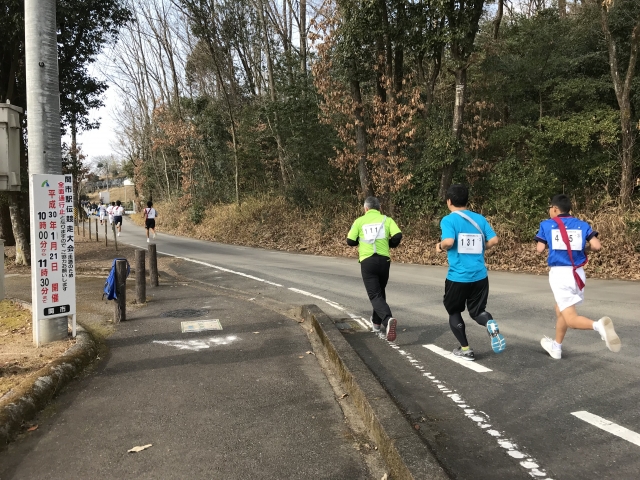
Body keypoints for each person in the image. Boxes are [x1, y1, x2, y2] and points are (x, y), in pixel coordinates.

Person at [535, 194, 620, 360]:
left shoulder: (547, 224)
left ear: (554, 209)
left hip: (560, 274)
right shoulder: (581, 225)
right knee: (561, 309)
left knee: (571, 318)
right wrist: (582, 249)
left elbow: (539, 248)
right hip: (578, 274)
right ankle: (556, 347)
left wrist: (553, 246)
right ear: (569, 210)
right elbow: (596, 246)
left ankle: (598, 326)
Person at [436, 184, 505, 361]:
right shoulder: (479, 219)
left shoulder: (448, 220)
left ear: (449, 201)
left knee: (454, 311)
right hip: (480, 276)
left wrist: (440, 246)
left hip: (458, 277)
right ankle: (488, 322)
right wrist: (483, 247)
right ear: (467, 200)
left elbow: (449, 241)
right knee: (477, 311)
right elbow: (494, 240)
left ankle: (465, 349)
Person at [347, 196, 402, 341]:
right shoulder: (386, 220)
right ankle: (376, 324)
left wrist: (361, 240)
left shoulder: (359, 221)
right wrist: (389, 244)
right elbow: (398, 236)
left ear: (365, 209)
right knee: (379, 292)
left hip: (368, 261)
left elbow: (350, 241)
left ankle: (387, 319)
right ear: (379, 208)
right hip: (384, 261)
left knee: (374, 295)